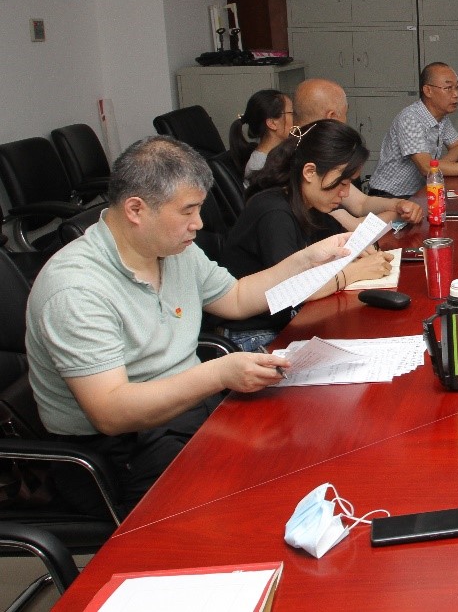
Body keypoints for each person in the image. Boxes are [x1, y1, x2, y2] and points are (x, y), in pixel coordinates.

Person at [24, 137, 350, 513]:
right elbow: (111, 412)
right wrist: (219, 374)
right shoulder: (76, 289)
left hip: (186, 413)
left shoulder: (172, 248)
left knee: (302, 448)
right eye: (188, 211)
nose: (199, 224)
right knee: (248, 504)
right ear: (136, 209)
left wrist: (305, 260)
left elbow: (237, 297)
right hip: (119, 453)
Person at [220, 120, 394, 350]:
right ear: (310, 172)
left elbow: (341, 248)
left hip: (290, 322)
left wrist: (359, 252)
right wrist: (352, 272)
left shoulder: (310, 205)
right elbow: (293, 290)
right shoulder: (273, 212)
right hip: (255, 335)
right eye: (341, 183)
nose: (344, 193)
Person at [290, 78, 423, 225]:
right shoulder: (308, 159)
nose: (344, 192)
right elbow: (353, 224)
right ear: (332, 118)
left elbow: (360, 203)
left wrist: (398, 205)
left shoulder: (296, 146)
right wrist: (397, 213)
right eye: (345, 113)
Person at [369, 62, 458, 198]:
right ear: (428, 91)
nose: (456, 94)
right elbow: (426, 168)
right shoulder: (410, 118)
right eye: (448, 88)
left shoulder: (441, 117)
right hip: (390, 196)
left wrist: (441, 165)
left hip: (418, 193)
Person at [228, 89, 293, 180]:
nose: (296, 118)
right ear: (272, 123)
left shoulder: (279, 155)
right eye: (292, 113)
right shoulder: (260, 166)